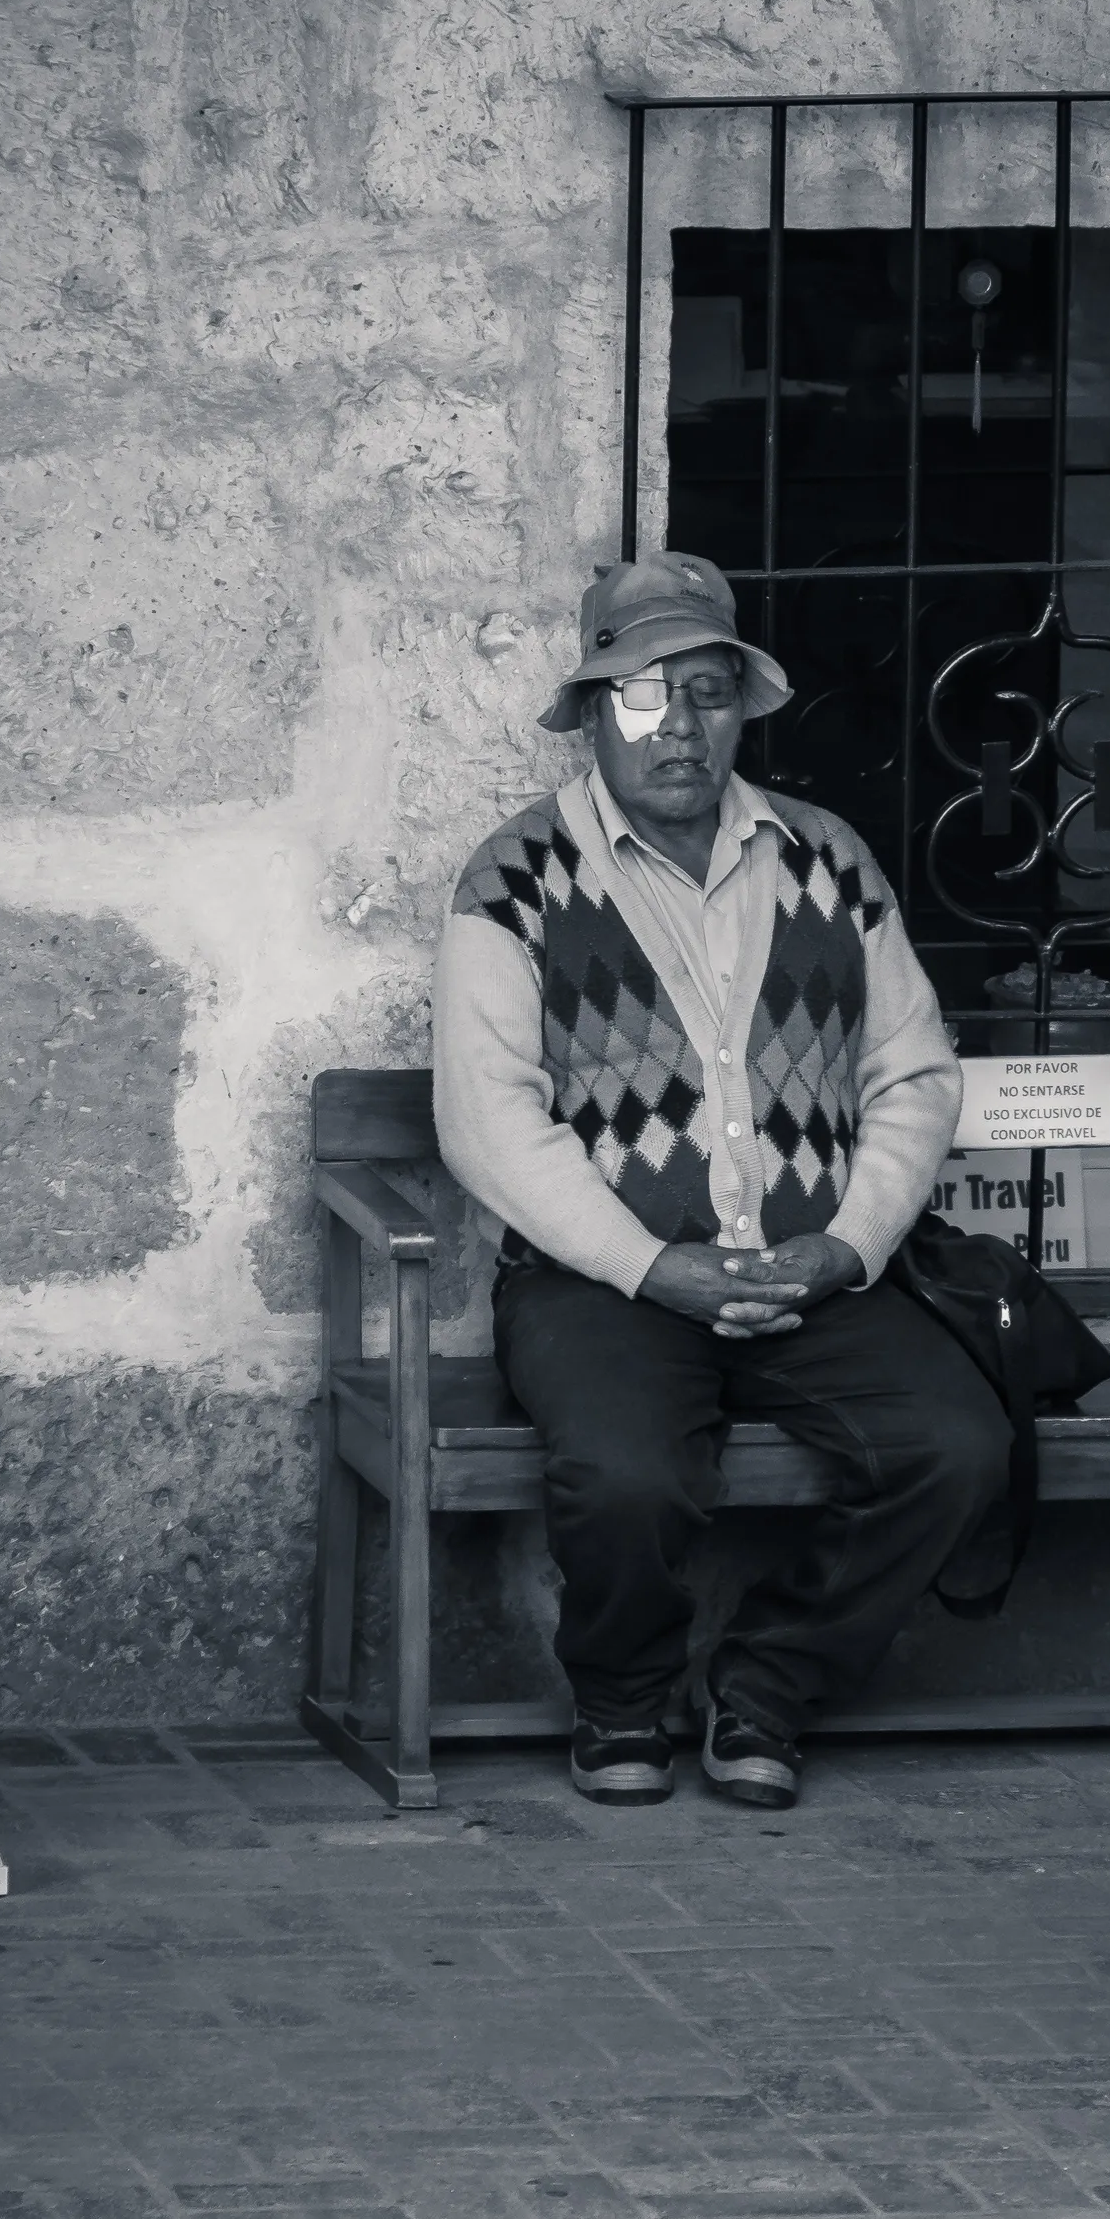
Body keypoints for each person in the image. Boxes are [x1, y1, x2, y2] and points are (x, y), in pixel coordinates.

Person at [432, 551, 1009, 1810]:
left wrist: (851, 1244)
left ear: (742, 708)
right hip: (605, 1281)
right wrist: (654, 1267)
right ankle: (624, 1701)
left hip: (814, 1269)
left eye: (705, 692)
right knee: (628, 1473)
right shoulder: (515, 878)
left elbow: (912, 1073)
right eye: (641, 697)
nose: (676, 727)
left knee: (959, 1448)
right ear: (591, 717)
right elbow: (487, 1120)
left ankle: (769, 1685)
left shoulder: (828, 857)